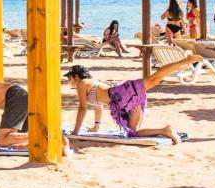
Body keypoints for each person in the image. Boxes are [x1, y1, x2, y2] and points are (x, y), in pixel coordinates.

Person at [64, 61, 192, 144]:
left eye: (69, 77)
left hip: (123, 93)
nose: (69, 80)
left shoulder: (82, 83)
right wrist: (96, 127)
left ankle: (185, 61)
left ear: (76, 77)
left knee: (154, 78)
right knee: (133, 133)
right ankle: (165, 130)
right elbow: (99, 106)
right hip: (127, 103)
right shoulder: (91, 83)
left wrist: (75, 132)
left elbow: (82, 108)